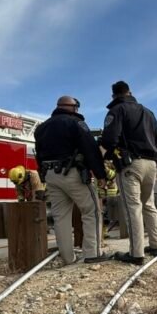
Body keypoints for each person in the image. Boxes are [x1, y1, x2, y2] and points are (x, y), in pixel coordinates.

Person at [34, 95, 108, 265]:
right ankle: (92, 253)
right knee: (92, 211)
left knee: (61, 218)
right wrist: (100, 174)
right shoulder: (76, 123)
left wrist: (44, 176)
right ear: (73, 108)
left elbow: (38, 154)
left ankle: (68, 258)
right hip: (72, 173)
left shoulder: (41, 128)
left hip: (51, 175)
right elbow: (90, 149)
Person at [101, 80, 157, 265]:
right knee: (149, 204)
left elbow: (109, 139)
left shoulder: (117, 110)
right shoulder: (149, 113)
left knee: (133, 207)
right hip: (151, 163)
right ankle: (155, 245)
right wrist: (156, 162)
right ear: (130, 92)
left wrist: (113, 156)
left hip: (131, 164)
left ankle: (136, 254)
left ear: (114, 96)